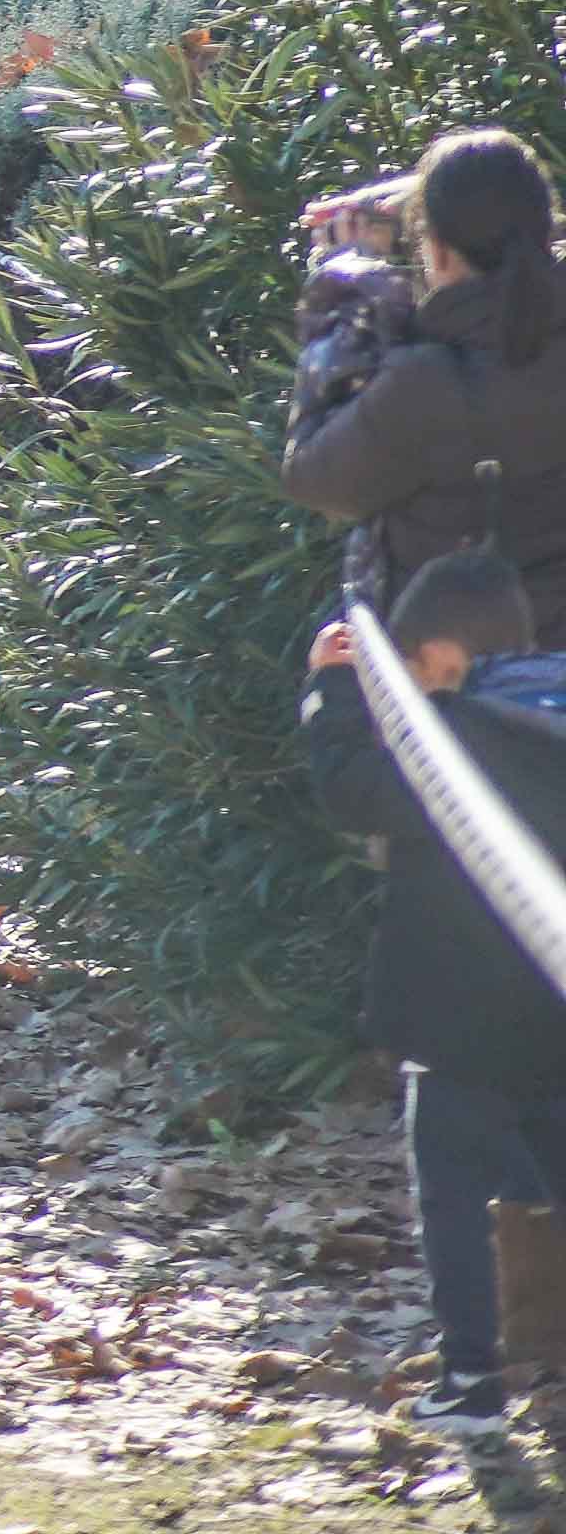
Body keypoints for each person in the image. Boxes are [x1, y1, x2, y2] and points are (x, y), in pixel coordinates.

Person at [308, 547, 566, 1425]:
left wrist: (332, 691)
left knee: (452, 1198)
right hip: (554, 1012)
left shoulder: (453, 739)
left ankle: (471, 1381)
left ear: (444, 661)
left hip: (454, 1023)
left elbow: (352, 792)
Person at [289, 133, 566, 613]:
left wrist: (351, 288)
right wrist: (434, 201)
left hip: (464, 672)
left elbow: (314, 478)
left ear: (434, 252)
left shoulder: (426, 385)